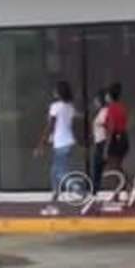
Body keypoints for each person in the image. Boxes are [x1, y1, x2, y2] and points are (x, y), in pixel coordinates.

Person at [35, 81, 77, 216]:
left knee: (60, 173)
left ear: (58, 92)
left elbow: (51, 126)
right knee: (55, 173)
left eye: (55, 90)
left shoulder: (55, 107)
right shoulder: (70, 107)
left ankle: (78, 189)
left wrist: (41, 144)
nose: (53, 91)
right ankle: (54, 202)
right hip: (67, 142)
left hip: (61, 144)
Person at [105, 82, 130, 204]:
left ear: (109, 96)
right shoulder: (122, 107)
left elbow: (112, 126)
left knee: (113, 166)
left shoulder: (112, 108)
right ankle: (122, 190)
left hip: (116, 138)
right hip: (123, 137)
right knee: (117, 165)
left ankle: (121, 190)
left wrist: (107, 144)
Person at [90, 90, 109, 196]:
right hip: (99, 142)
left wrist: (106, 146)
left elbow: (107, 127)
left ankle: (95, 191)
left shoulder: (105, 112)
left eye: (96, 100)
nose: (94, 102)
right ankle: (95, 191)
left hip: (103, 143)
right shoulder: (101, 112)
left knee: (98, 168)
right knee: (98, 168)